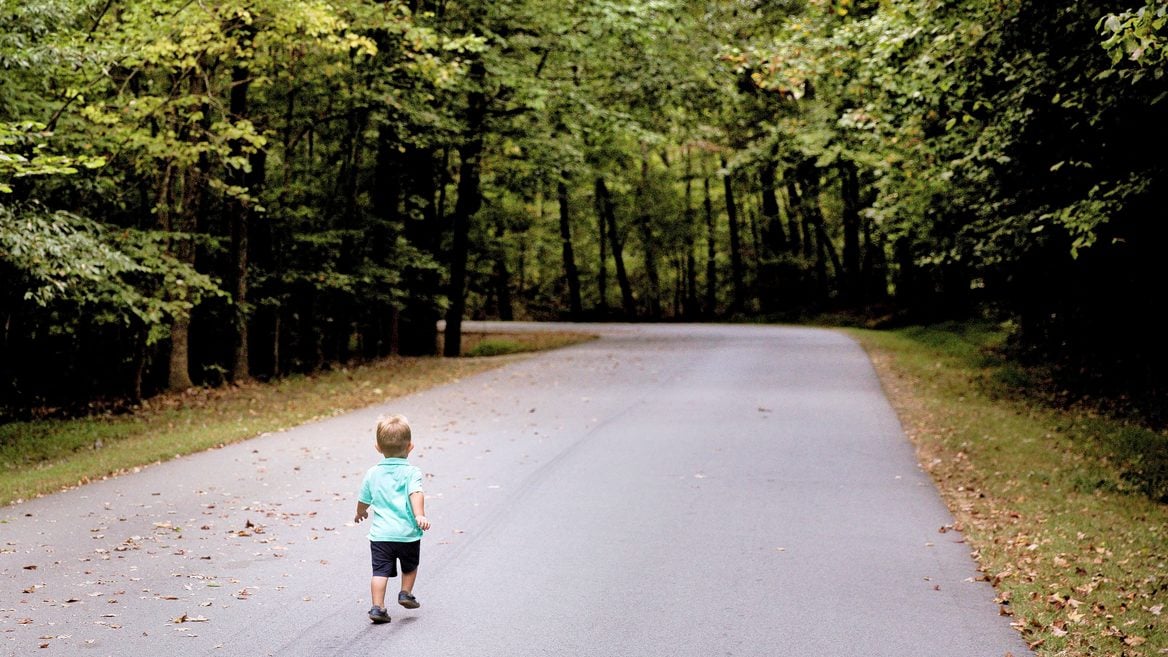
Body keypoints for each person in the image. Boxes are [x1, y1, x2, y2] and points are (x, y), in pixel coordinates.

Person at [354, 414, 431, 624]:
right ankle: (405, 593)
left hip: (381, 535)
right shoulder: (411, 472)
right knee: (410, 565)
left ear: (378, 447)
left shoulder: (372, 473)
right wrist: (419, 515)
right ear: (410, 447)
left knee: (380, 571)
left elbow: (363, 499)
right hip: (407, 534)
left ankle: (377, 607)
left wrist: (360, 512)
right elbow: (416, 493)